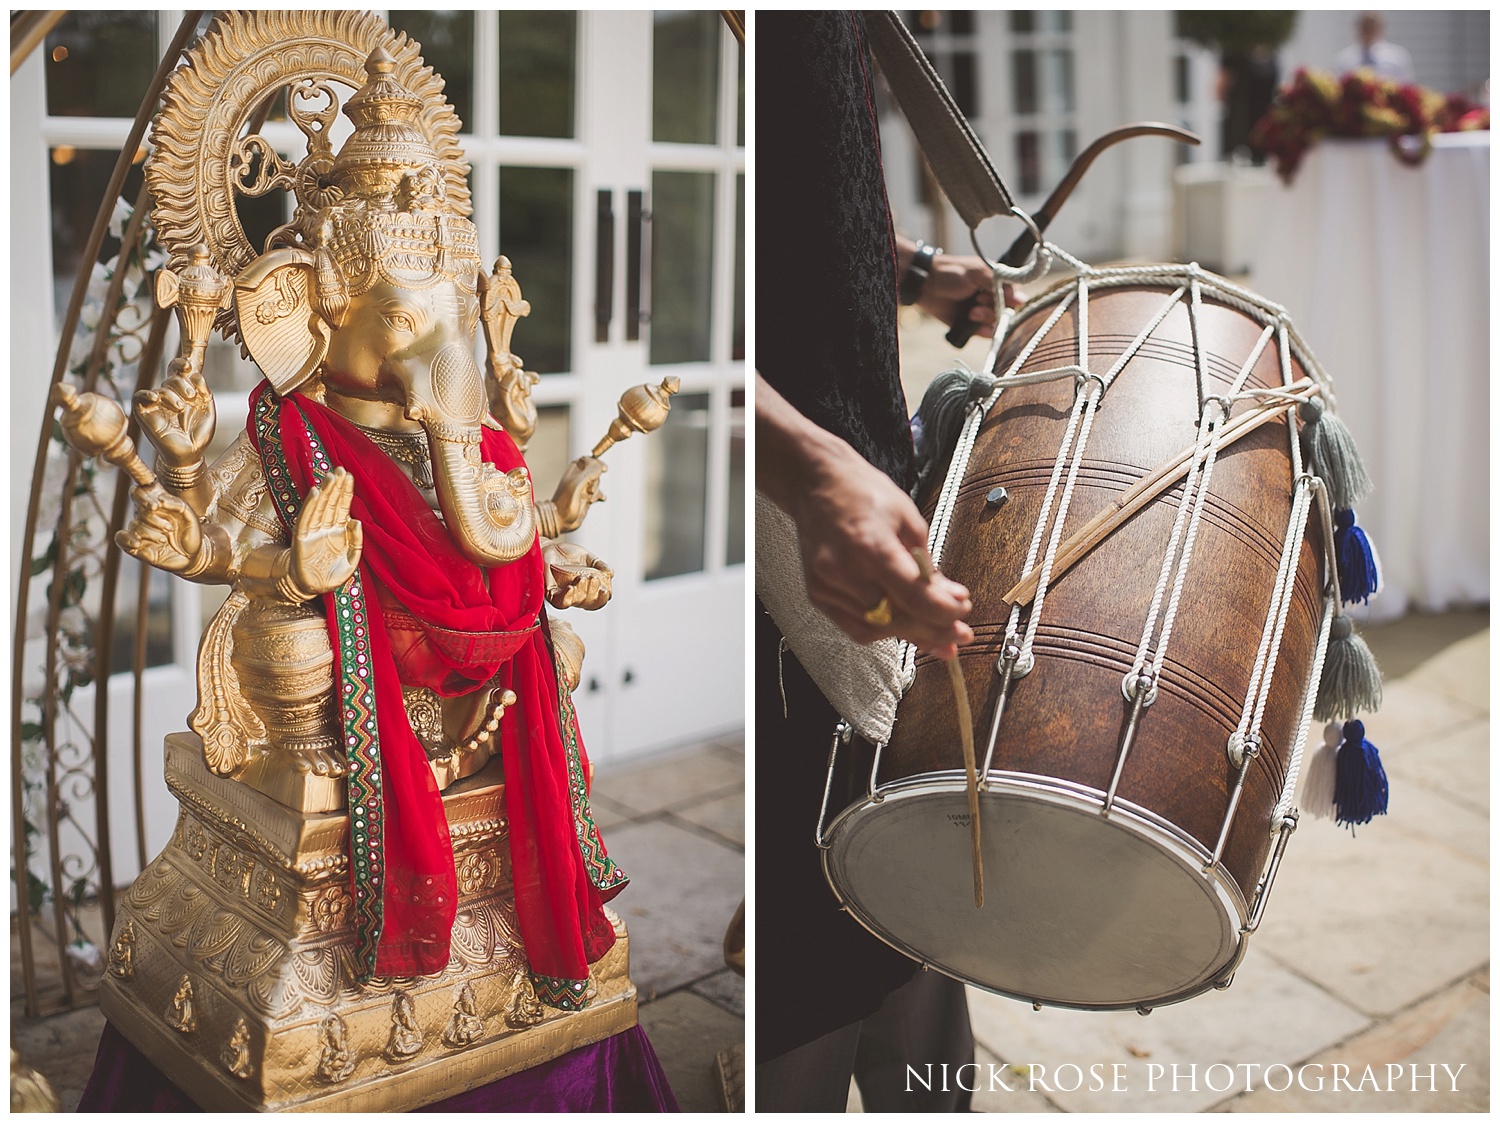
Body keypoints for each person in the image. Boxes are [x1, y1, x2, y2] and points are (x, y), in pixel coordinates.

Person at [755, 11, 1007, 1112]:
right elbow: (646, 298)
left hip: (855, 475)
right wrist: (807, 467)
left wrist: (910, 270)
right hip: (775, 535)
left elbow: (789, 192)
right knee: (808, 944)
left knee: (909, 881)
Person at [1334, 12, 1416, 85]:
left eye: (1372, 25)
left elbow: (1407, 89)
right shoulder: (1344, 59)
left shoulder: (1397, 58)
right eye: (1365, 26)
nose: (1368, 30)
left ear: (1381, 27)